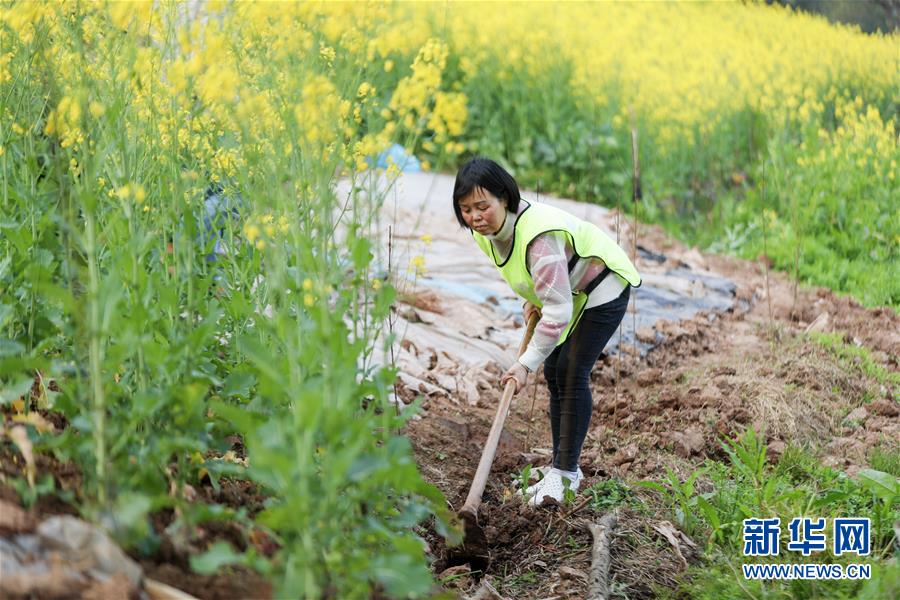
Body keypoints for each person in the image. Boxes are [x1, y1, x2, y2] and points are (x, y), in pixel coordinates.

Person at [452, 157, 641, 506]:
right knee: (555, 371)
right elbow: (530, 277)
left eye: (482, 206)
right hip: (569, 291)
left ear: (504, 199)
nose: (475, 217)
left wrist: (524, 364)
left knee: (570, 371)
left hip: (603, 285)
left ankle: (567, 475)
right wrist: (535, 297)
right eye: (465, 209)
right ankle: (561, 468)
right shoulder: (487, 235)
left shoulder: (537, 236)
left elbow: (557, 307)